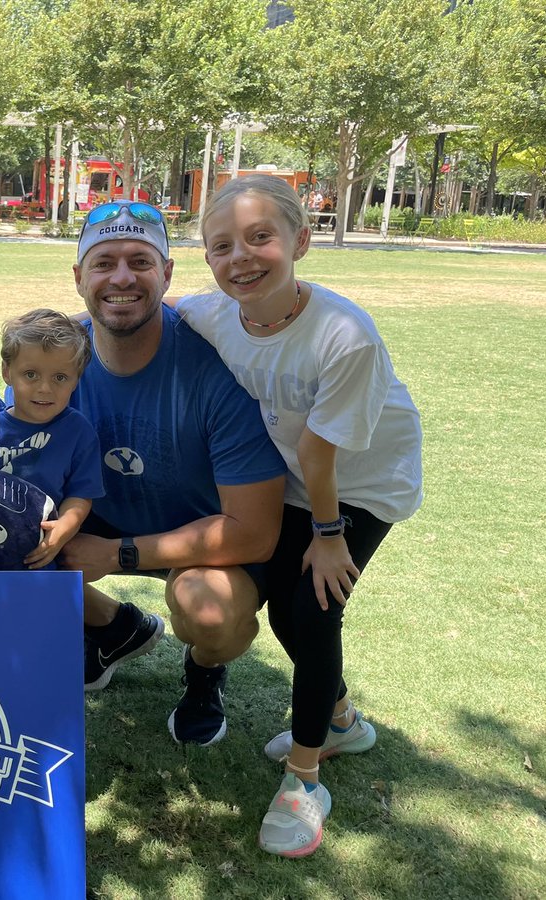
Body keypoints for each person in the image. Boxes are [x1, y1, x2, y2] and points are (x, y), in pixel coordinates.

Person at [177, 174, 422, 857]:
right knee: (286, 610)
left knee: (313, 609)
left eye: (261, 238)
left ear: (301, 241)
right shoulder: (219, 312)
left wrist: (328, 536)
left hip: (363, 484)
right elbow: (157, 309)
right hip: (299, 479)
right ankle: (340, 717)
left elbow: (322, 455)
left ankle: (305, 778)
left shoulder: (346, 335)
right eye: (222, 245)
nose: (241, 258)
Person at [59, 201, 287, 747]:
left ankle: (205, 671)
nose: (121, 278)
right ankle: (117, 629)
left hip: (205, 539)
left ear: (166, 274)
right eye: (103, 262)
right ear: (78, 278)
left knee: (207, 613)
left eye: (140, 261)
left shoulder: (215, 364)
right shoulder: (57, 353)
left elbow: (255, 532)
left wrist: (116, 555)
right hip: (97, 517)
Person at [0, 308, 103, 569]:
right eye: (31, 374)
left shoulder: (77, 431)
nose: (45, 388)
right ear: (7, 372)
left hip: (39, 553)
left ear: (76, 380)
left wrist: (65, 527)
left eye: (60, 377)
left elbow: (81, 493)